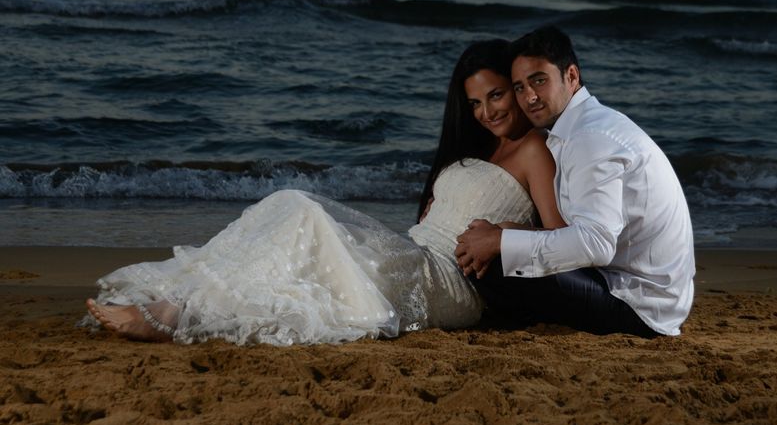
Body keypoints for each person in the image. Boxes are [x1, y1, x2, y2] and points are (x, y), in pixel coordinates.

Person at [84, 39, 565, 345]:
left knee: (302, 216)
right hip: (413, 250)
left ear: (520, 89)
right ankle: (180, 303)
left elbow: (560, 235)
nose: (488, 111)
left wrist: (506, 230)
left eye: (498, 95)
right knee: (291, 204)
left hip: (450, 283)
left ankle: (172, 316)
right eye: (475, 103)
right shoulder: (476, 148)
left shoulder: (533, 150)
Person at [455, 26, 695, 338]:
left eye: (539, 80)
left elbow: (595, 245)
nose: (529, 97)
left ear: (571, 76)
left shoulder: (589, 138)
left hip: (638, 306)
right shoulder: (584, 127)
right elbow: (584, 234)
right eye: (519, 87)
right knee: (504, 253)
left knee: (495, 267)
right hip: (640, 290)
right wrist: (507, 231)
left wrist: (498, 241)